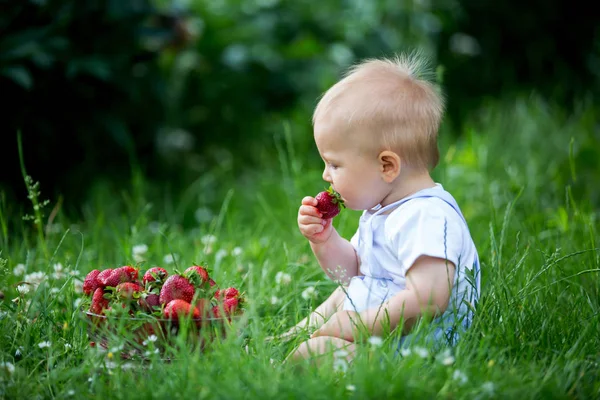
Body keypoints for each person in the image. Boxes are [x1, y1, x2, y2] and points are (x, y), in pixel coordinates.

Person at [282, 52, 481, 364]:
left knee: (314, 354)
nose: (325, 175)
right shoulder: (383, 210)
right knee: (342, 296)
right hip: (381, 338)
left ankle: (296, 354)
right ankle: (289, 337)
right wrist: (325, 240)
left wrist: (355, 325)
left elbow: (429, 300)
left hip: (418, 350)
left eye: (334, 164)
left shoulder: (425, 217)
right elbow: (352, 273)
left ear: (387, 165)